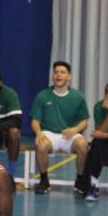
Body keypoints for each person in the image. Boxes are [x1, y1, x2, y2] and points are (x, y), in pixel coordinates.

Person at [30, 61, 90, 195]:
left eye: (62, 72)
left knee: (83, 145)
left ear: (69, 77)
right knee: (41, 144)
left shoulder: (78, 97)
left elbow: (84, 122)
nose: (58, 75)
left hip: (70, 134)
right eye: (56, 72)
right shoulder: (42, 95)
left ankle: (80, 180)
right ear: (53, 76)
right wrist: (38, 133)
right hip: (49, 133)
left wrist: (75, 130)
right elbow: (35, 121)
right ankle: (44, 181)